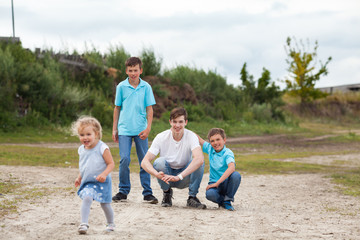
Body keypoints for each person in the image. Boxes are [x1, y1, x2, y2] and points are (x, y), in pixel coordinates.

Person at [112, 57, 158, 204]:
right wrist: (115, 128)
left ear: (140, 70)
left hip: (141, 129)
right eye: (130, 70)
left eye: (135, 70)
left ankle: (147, 193)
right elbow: (117, 108)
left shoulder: (146, 87)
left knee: (144, 160)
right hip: (124, 128)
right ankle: (123, 191)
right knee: (124, 159)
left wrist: (148, 127)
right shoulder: (121, 87)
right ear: (126, 71)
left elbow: (149, 109)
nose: (133, 73)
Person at [141, 107, 206, 209]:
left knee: (200, 162)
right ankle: (167, 194)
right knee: (159, 162)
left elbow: (199, 159)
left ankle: (192, 197)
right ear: (170, 122)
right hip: (166, 177)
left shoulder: (191, 136)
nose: (177, 125)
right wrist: (156, 174)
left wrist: (179, 176)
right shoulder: (161, 137)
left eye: (181, 122)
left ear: (186, 122)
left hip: (184, 176)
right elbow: (144, 162)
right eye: (174, 122)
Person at [72, 116, 115, 234]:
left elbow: (111, 164)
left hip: (102, 182)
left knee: (105, 204)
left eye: (88, 134)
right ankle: (84, 223)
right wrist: (79, 177)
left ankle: (110, 223)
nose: (85, 138)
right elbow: (84, 166)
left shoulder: (102, 148)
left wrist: (104, 174)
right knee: (87, 197)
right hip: (88, 182)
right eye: (82, 135)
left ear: (96, 134)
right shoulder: (81, 149)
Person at [197, 128, 241, 211]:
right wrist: (183, 129)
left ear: (224, 140)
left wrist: (217, 183)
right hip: (214, 183)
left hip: (225, 183)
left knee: (236, 175)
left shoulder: (227, 153)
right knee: (209, 194)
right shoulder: (210, 149)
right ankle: (222, 202)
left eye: (218, 139)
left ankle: (228, 200)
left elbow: (232, 167)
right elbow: (199, 139)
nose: (215, 143)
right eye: (212, 141)